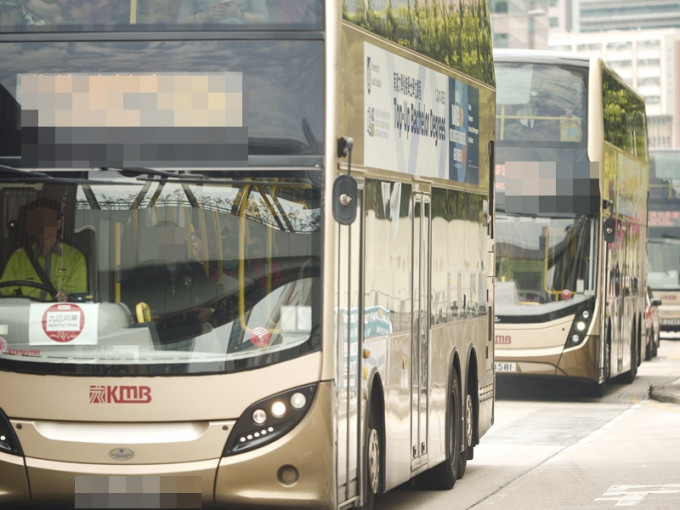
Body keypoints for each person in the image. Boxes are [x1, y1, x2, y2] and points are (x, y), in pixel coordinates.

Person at [121, 221, 216, 344]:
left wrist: (209, 310)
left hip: (190, 335)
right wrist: (140, 316)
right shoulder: (143, 271)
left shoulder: (194, 269)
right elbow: (123, 299)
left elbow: (213, 295)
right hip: (154, 335)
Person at [0, 198, 87, 301]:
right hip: (25, 314)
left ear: (58, 224)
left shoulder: (75, 258)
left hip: (59, 313)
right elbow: (4, 291)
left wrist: (66, 297)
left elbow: (78, 296)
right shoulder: (18, 258)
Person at [178, 0, 268, 24]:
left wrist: (237, 14)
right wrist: (204, 16)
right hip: (202, 40)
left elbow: (265, 21)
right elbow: (179, 23)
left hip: (243, 40)